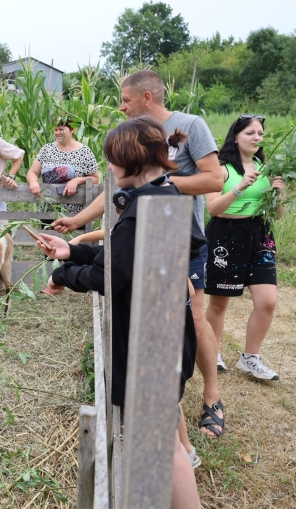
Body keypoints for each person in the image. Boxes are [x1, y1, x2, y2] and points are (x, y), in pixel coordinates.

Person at [51, 70, 226, 439]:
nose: (121, 105)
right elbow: (118, 245)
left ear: (147, 98)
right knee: (163, 383)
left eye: (126, 99)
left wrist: (157, 184)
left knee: (186, 327)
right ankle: (181, 445)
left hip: (164, 277)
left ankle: (208, 403)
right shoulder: (148, 181)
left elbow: (214, 180)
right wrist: (77, 236)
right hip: (151, 275)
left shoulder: (187, 131)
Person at [37, 117, 201, 507]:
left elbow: (107, 273)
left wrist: (63, 273)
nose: (108, 168)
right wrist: (71, 250)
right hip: (165, 335)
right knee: (164, 437)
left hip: (151, 345)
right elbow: (122, 255)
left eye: (113, 159)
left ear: (131, 160)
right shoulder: (164, 195)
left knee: (160, 449)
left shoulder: (143, 207)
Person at [204, 115, 285, 381]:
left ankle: (251, 358)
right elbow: (213, 208)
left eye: (260, 133)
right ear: (236, 136)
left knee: (268, 301)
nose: (256, 137)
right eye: (250, 132)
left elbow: (279, 214)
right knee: (219, 302)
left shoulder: (265, 167)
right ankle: (211, 351)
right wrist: (239, 187)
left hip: (261, 233)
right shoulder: (221, 168)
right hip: (226, 235)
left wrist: (278, 193)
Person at [26, 117, 99, 215]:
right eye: (55, 129)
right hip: (48, 210)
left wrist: (77, 180)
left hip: (75, 213)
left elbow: (95, 178)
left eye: (61, 129)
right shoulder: (47, 149)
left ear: (72, 129)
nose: (57, 133)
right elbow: (33, 172)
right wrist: (33, 182)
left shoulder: (85, 152)